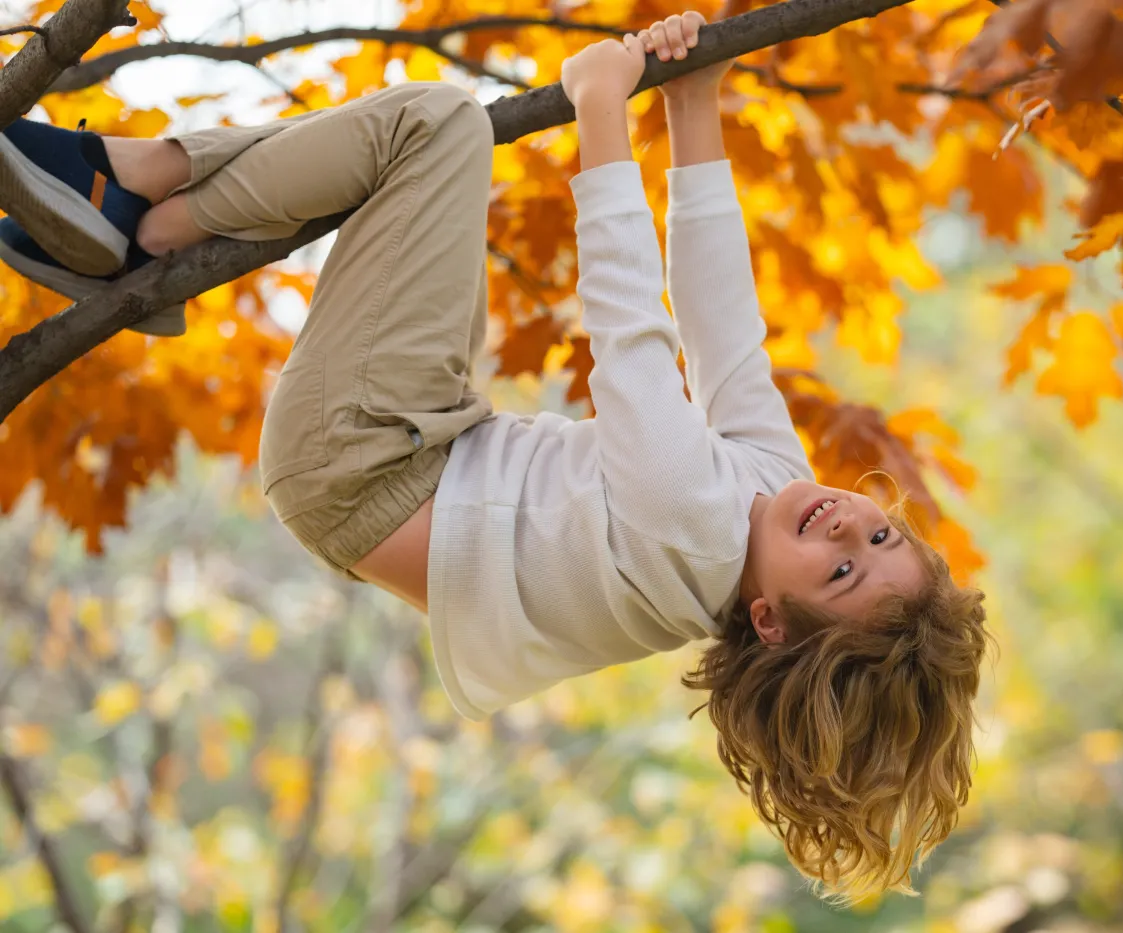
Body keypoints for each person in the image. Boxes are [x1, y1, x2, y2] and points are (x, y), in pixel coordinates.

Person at [0, 12, 988, 902]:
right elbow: (723, 326)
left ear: (769, 621)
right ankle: (143, 222)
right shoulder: (768, 498)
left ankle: (133, 194)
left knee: (432, 126)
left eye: (845, 569)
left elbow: (633, 341)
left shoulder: (690, 535)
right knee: (405, 145)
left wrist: (601, 113)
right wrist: (693, 110)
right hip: (424, 436)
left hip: (360, 460)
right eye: (881, 530)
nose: (846, 522)